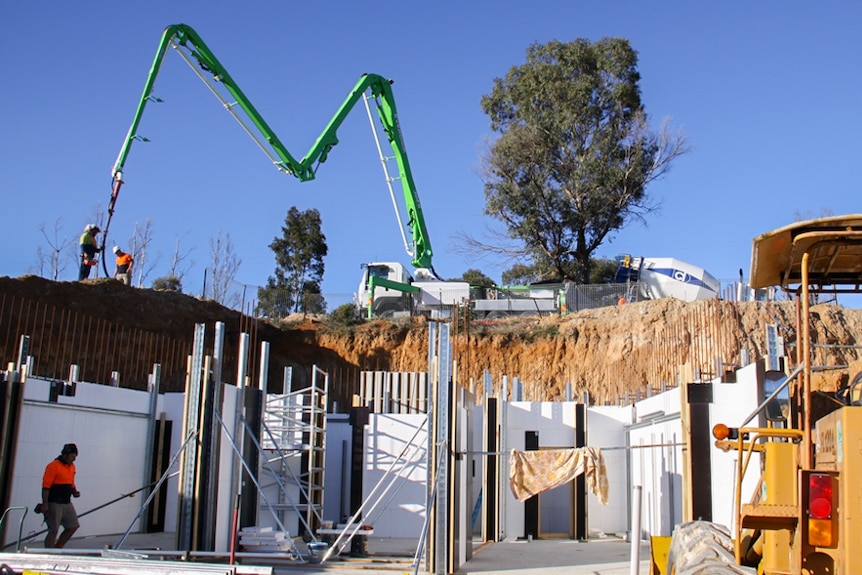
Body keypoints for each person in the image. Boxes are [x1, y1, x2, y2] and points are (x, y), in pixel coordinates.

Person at [38, 443, 81, 548]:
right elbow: (46, 487)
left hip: (66, 502)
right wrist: (45, 504)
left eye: (75, 457)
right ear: (65, 455)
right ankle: (49, 551)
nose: (74, 459)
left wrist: (74, 492)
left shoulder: (72, 467)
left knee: (73, 526)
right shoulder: (53, 466)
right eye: (72, 457)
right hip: (54, 503)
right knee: (53, 530)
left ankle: (58, 547)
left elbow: (71, 482)